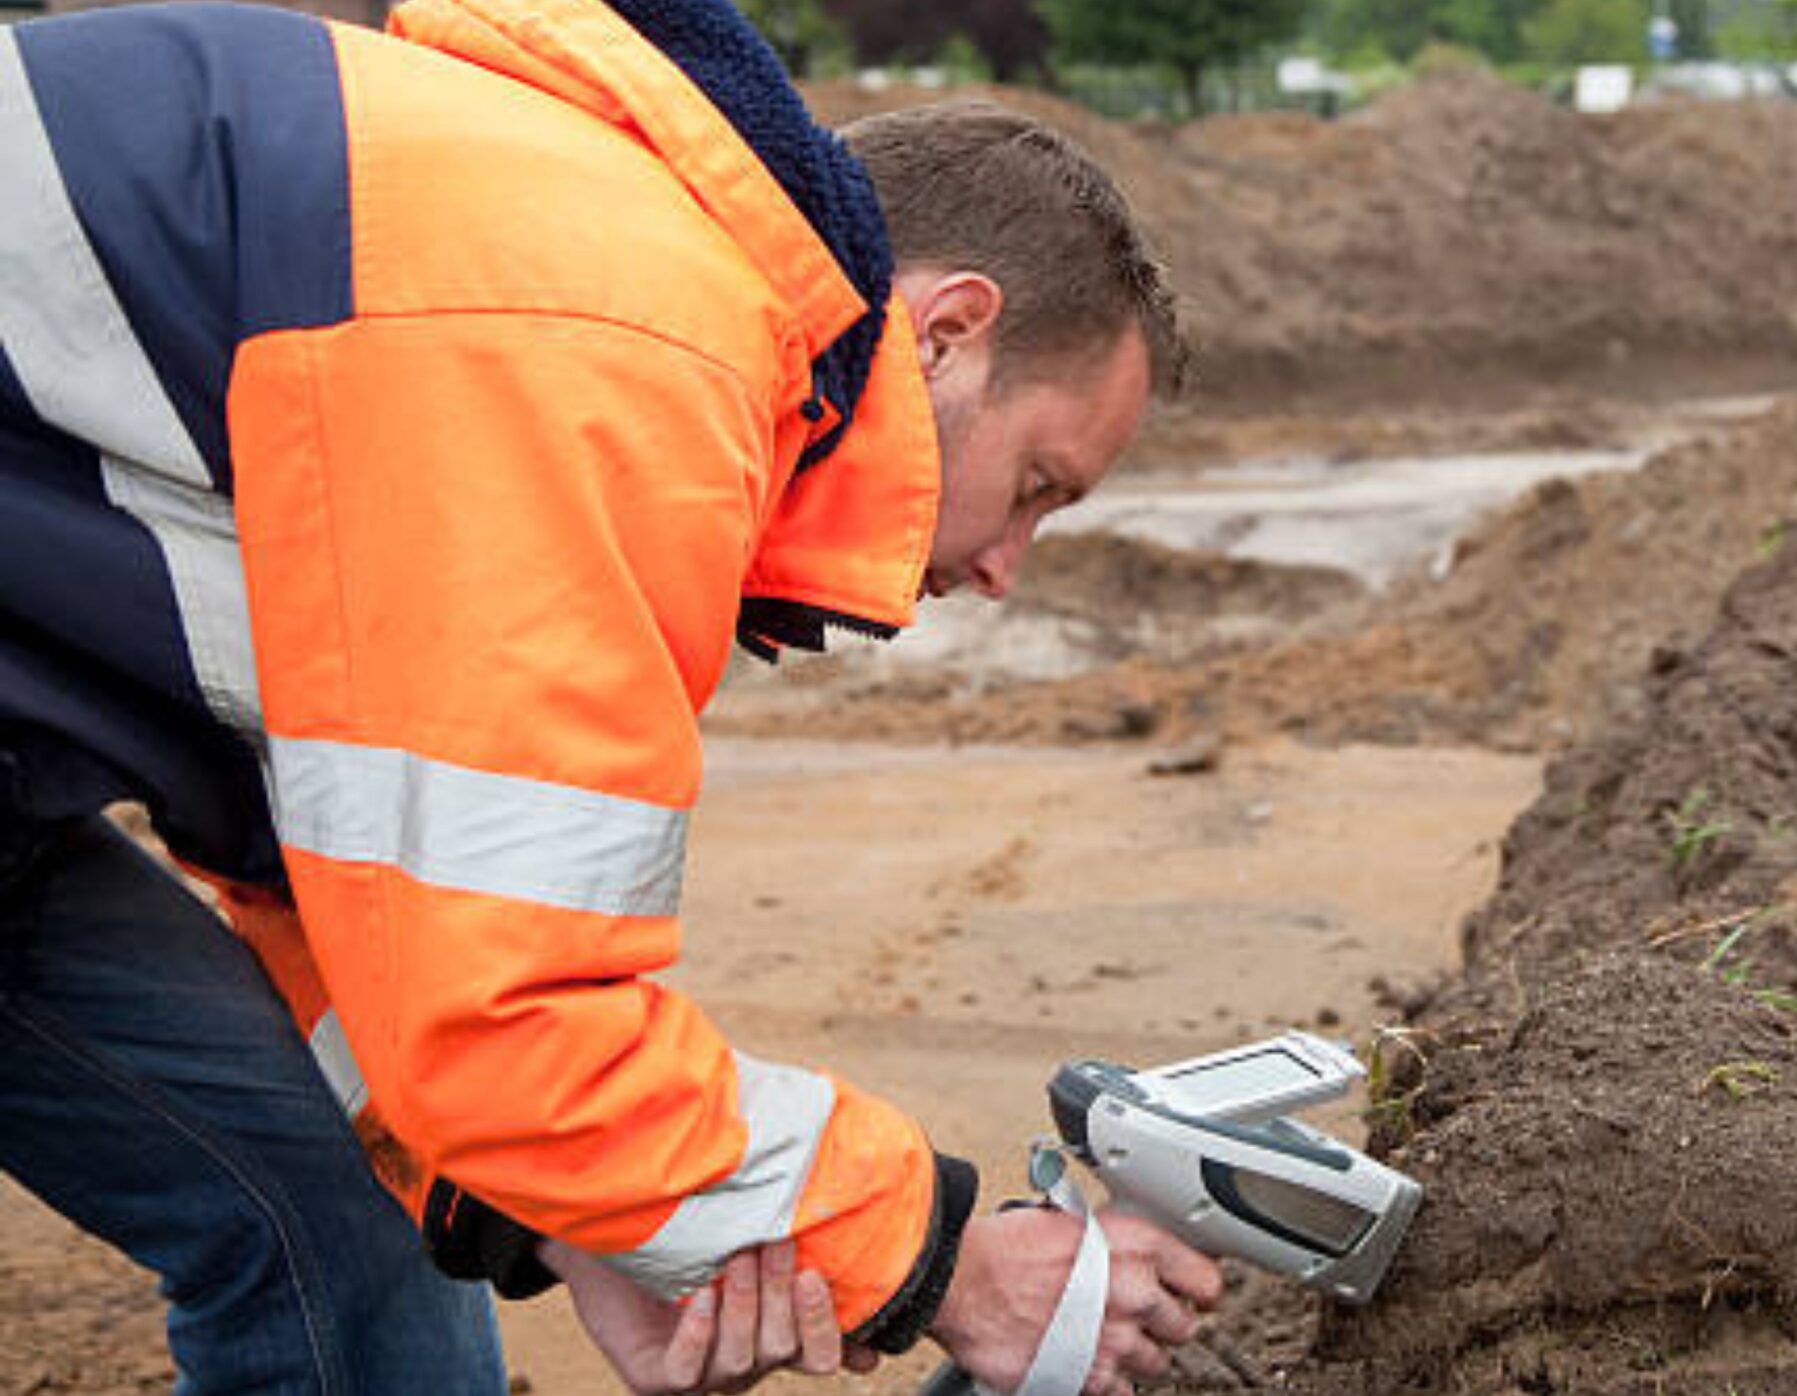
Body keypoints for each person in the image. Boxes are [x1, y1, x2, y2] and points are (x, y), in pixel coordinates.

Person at [0, 0, 1217, 1392]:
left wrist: (557, 1221)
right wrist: (943, 1262)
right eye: (1040, 488)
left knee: (337, 1221)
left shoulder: (579, 271)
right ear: (945, 335)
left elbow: (345, 887)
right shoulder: (614, 337)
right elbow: (507, 1012)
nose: (1007, 566)